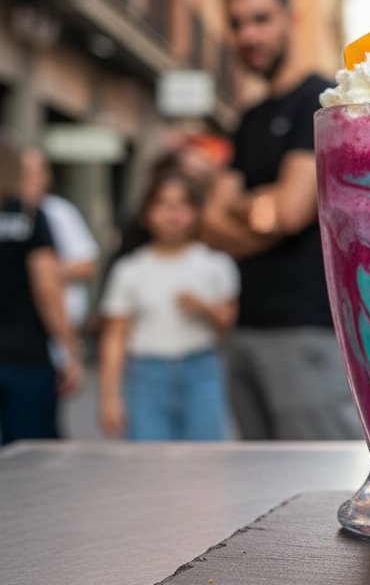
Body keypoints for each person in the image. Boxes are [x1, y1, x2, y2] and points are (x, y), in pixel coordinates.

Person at [200, 0, 359, 440]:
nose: (248, 34)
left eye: (261, 19)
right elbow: (208, 221)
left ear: (291, 20)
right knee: (260, 480)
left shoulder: (318, 102)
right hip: (245, 327)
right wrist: (259, 214)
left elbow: (289, 211)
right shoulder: (248, 118)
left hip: (304, 330)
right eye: (237, 23)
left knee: (316, 479)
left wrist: (253, 211)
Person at [98, 172, 238, 440]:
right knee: (151, 467)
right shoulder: (130, 269)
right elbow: (114, 336)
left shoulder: (216, 264)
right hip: (147, 374)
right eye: (162, 205)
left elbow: (227, 322)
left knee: (207, 464)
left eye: (182, 205)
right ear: (147, 214)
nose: (172, 215)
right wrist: (109, 398)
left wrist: (204, 308)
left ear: (196, 212)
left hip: (201, 369)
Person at [0, 134, 82, 443]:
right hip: (26, 356)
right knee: (28, 460)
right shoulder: (29, 215)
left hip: (24, 356)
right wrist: (70, 352)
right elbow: (46, 289)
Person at [19, 148, 99, 345]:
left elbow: (87, 263)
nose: (32, 178)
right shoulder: (11, 213)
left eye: (38, 171)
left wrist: (44, 271)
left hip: (57, 331)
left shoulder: (60, 212)